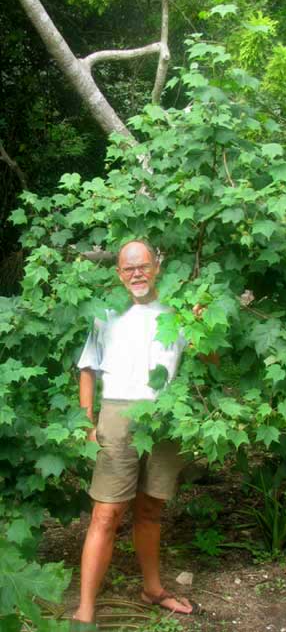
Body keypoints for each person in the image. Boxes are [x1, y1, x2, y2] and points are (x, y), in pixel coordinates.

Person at [73, 239, 194, 626]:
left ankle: (152, 589)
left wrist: (200, 321)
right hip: (117, 416)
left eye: (143, 266)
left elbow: (210, 356)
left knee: (151, 509)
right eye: (129, 268)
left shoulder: (178, 312)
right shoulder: (106, 314)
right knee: (105, 514)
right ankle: (85, 609)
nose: (137, 274)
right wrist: (86, 421)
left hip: (166, 418)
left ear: (156, 266)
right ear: (119, 274)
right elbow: (87, 368)